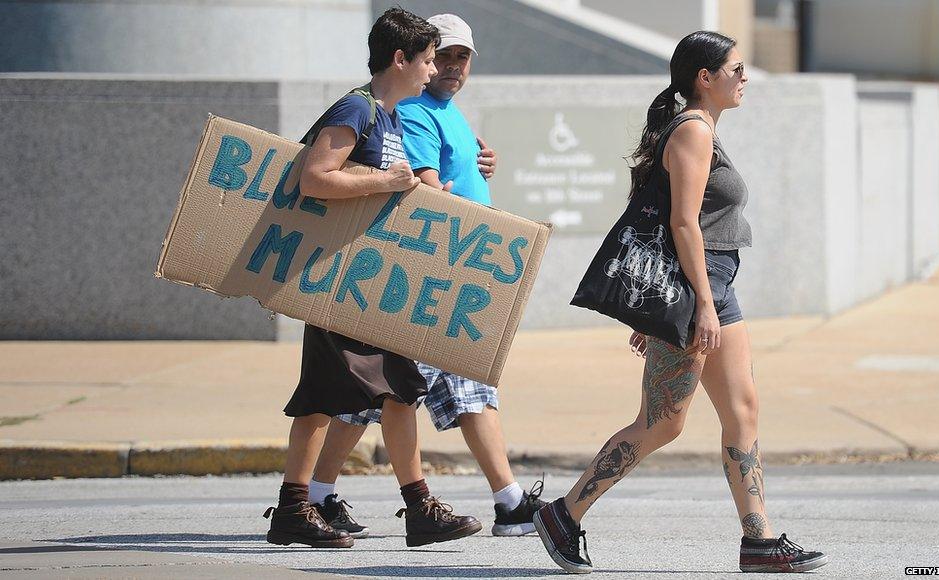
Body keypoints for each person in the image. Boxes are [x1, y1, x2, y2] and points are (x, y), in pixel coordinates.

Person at [533, 31, 828, 574]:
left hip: (714, 284)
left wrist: (676, 304)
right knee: (662, 421)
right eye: (736, 69)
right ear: (704, 78)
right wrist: (698, 308)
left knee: (743, 410)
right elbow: (683, 223)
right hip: (702, 290)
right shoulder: (692, 131)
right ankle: (563, 515)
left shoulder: (704, 130)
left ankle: (758, 540)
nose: (744, 78)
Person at [304, 13, 547, 541]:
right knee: (449, 388)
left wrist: (479, 165)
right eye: (439, 56)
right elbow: (421, 192)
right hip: (427, 275)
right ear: (407, 59)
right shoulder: (400, 112)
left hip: (432, 273)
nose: (449, 66)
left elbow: (438, 174)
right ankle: (505, 503)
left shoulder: (435, 111)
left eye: (461, 57)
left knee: (374, 395)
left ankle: (316, 496)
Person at [262, 7, 482, 549]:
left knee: (403, 389)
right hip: (332, 277)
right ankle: (294, 506)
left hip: (369, 279)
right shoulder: (356, 109)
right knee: (320, 397)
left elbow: (387, 185)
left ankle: (419, 507)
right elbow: (315, 178)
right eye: (428, 60)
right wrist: (386, 180)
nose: (434, 72)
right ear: (400, 58)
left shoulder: (386, 116)